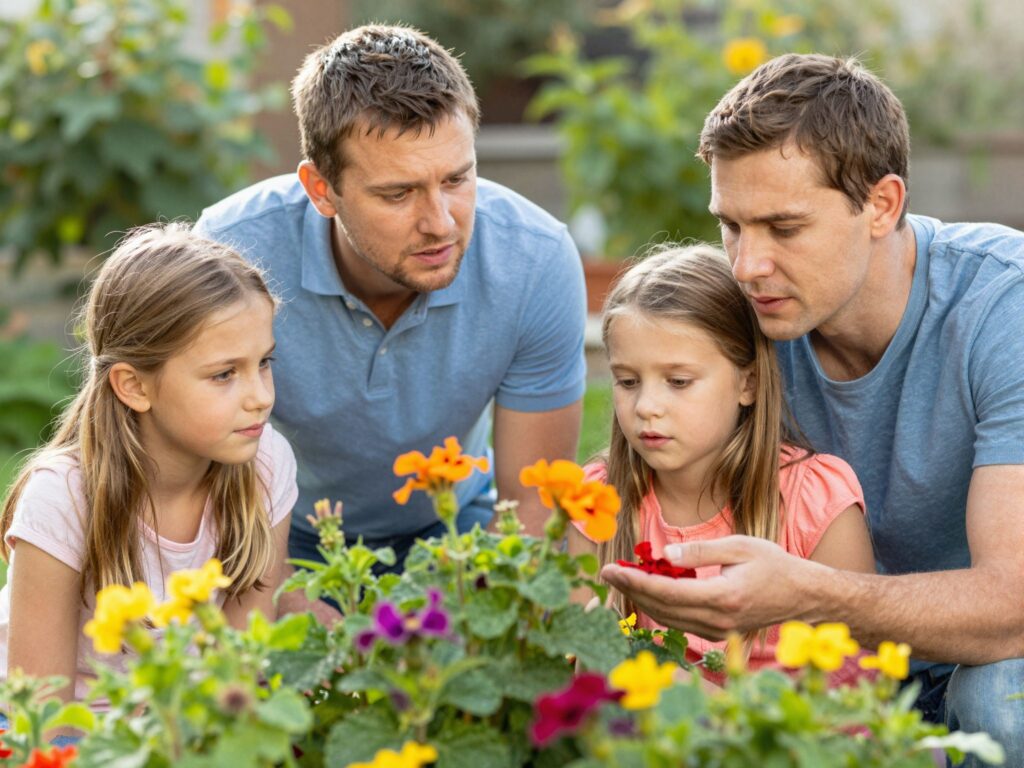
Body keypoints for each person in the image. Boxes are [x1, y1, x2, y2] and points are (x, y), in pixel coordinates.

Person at [600, 54, 1024, 761]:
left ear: (882, 205)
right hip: (825, 681)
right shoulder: (740, 328)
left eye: (784, 228)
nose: (746, 266)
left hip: (980, 654)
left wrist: (810, 594)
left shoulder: (1000, 310)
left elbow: (1012, 605)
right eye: (731, 226)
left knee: (998, 708)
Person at [193, 24, 585, 582]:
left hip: (460, 525)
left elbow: (533, 500)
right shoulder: (232, 252)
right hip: (278, 530)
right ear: (321, 189)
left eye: (456, 178)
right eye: (397, 193)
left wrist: (472, 611)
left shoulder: (535, 260)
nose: (440, 223)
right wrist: (291, 602)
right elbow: (191, 477)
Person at [0, 224, 296, 703]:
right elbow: (41, 717)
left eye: (264, 363)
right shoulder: (63, 498)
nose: (261, 398)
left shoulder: (266, 465)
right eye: (224, 374)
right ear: (134, 386)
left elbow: (242, 675)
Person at [569, 244, 874, 682]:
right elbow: (578, 667)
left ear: (747, 383)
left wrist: (688, 697)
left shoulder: (815, 502)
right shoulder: (599, 499)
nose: (647, 406)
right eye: (628, 381)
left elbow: (855, 690)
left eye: (678, 381)